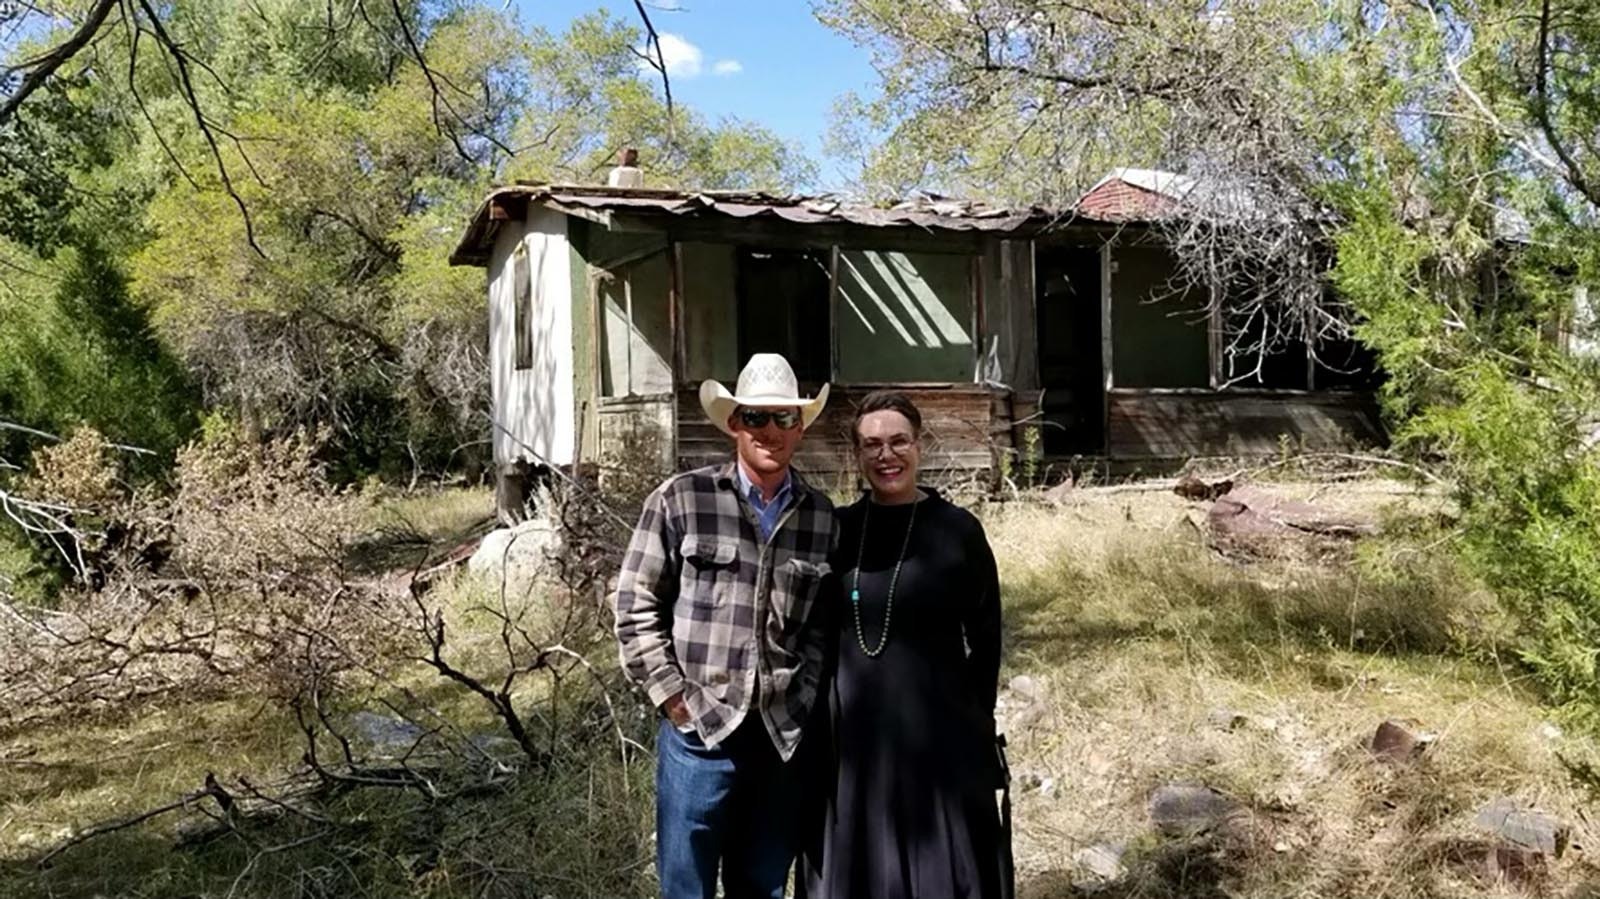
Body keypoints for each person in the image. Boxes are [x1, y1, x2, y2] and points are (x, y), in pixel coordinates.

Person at [612, 353, 836, 899]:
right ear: (735, 422)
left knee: (760, 887)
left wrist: (802, 696)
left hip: (779, 737)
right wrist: (672, 698)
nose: (770, 431)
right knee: (685, 888)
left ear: (800, 427)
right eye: (757, 417)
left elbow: (820, 627)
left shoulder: (820, 516)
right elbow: (634, 602)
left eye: (784, 418)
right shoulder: (682, 499)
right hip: (699, 736)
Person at [798, 390, 1006, 899]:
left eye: (898, 442)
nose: (885, 455)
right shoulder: (838, 529)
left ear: (919, 446)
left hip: (937, 736)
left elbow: (986, 635)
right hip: (851, 740)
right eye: (871, 445)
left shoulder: (957, 531)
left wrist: (975, 723)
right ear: (858, 454)